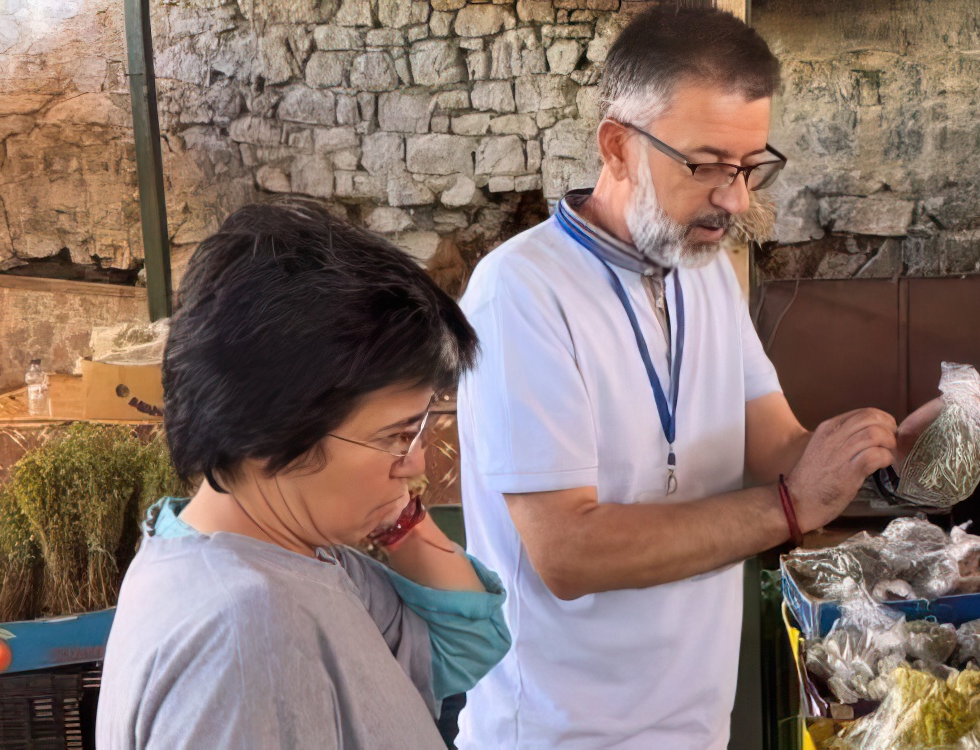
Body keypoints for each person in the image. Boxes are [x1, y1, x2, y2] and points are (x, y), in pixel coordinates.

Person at [454, 7, 899, 749]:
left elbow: (773, 444)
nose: (736, 199)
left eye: (750, 167)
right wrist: (791, 507)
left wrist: (883, 456)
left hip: (692, 723)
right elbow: (568, 551)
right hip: (559, 735)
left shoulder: (705, 270)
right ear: (619, 146)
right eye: (706, 165)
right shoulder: (521, 294)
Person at [96, 202, 511, 749]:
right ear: (270, 435)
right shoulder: (244, 637)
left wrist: (398, 520)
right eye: (395, 437)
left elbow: (462, 642)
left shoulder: (302, 557)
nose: (417, 464)